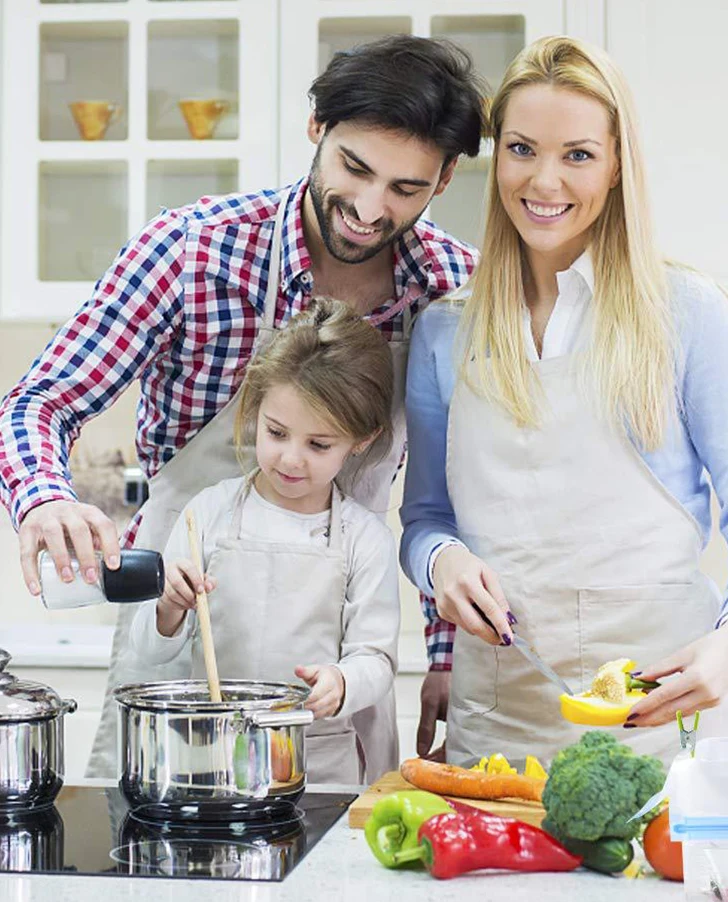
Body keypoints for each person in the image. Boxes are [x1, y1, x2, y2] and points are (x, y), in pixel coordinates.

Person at [0, 34, 486, 777]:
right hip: (178, 647)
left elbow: (448, 493)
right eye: (354, 168)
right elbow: (37, 401)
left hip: (332, 680)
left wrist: (446, 656)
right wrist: (44, 498)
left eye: (405, 188)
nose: (368, 209)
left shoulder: (452, 289)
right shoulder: (192, 251)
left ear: (445, 178)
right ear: (316, 126)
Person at [400, 36, 728, 765]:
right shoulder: (444, 331)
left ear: (617, 166)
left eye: (578, 155)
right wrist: (443, 563)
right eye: (522, 149)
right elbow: (425, 519)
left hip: (666, 715)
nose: (544, 180)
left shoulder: (684, 312)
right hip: (502, 723)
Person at [130, 298, 398, 783]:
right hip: (213, 761)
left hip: (318, 765)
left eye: (319, 444)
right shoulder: (206, 514)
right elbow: (149, 651)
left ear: (361, 441)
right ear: (256, 410)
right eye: (276, 433)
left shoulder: (366, 539)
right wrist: (168, 607)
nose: (291, 459)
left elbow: (375, 659)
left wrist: (343, 681)